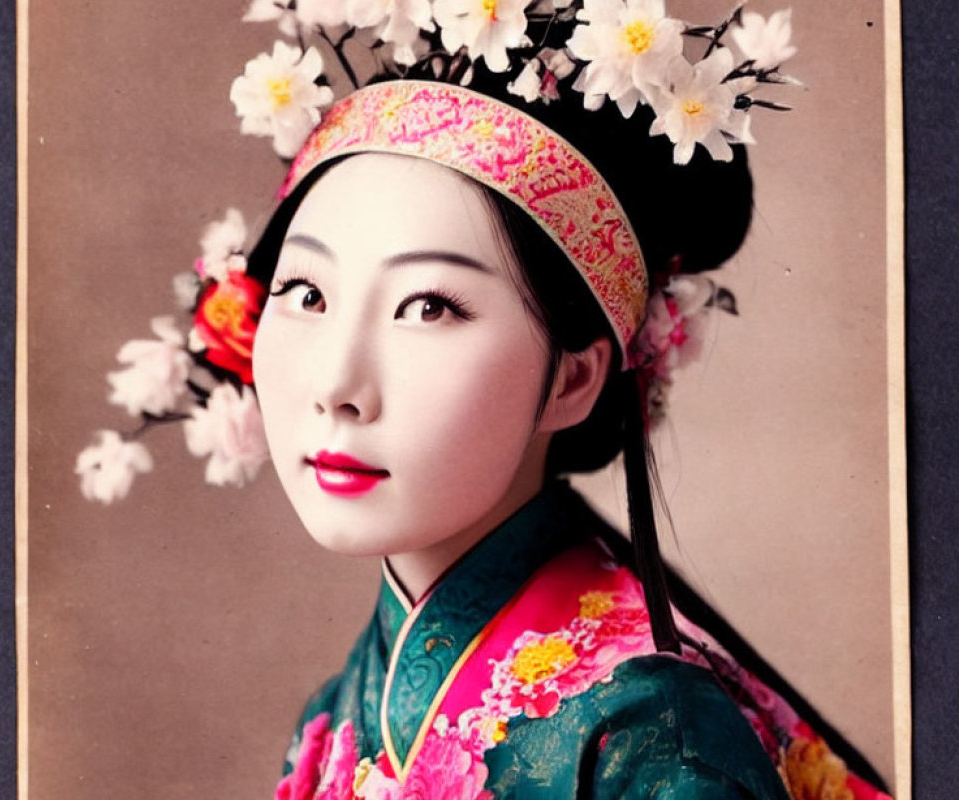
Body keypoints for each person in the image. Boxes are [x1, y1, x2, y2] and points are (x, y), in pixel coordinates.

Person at [75, 3, 893, 797]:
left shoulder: (647, 737)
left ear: (573, 377)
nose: (336, 387)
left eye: (429, 307)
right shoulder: (333, 719)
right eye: (306, 295)